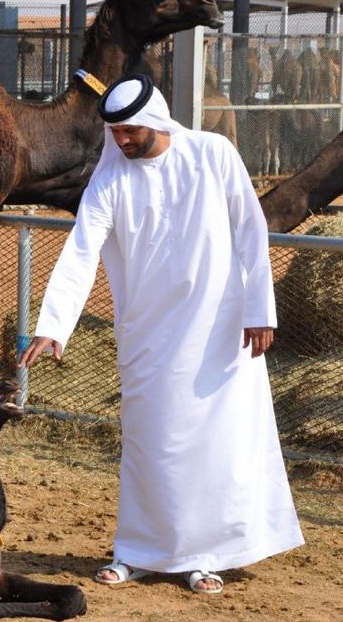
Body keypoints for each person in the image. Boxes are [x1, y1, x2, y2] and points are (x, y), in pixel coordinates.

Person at [17, 74, 304, 595]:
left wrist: (260, 309)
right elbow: (82, 249)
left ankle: (203, 556)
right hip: (148, 332)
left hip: (220, 329)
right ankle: (138, 552)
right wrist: (53, 326)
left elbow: (249, 228)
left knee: (214, 444)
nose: (121, 141)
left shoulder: (213, 154)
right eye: (115, 133)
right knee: (152, 444)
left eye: (128, 131)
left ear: (154, 121)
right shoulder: (110, 180)